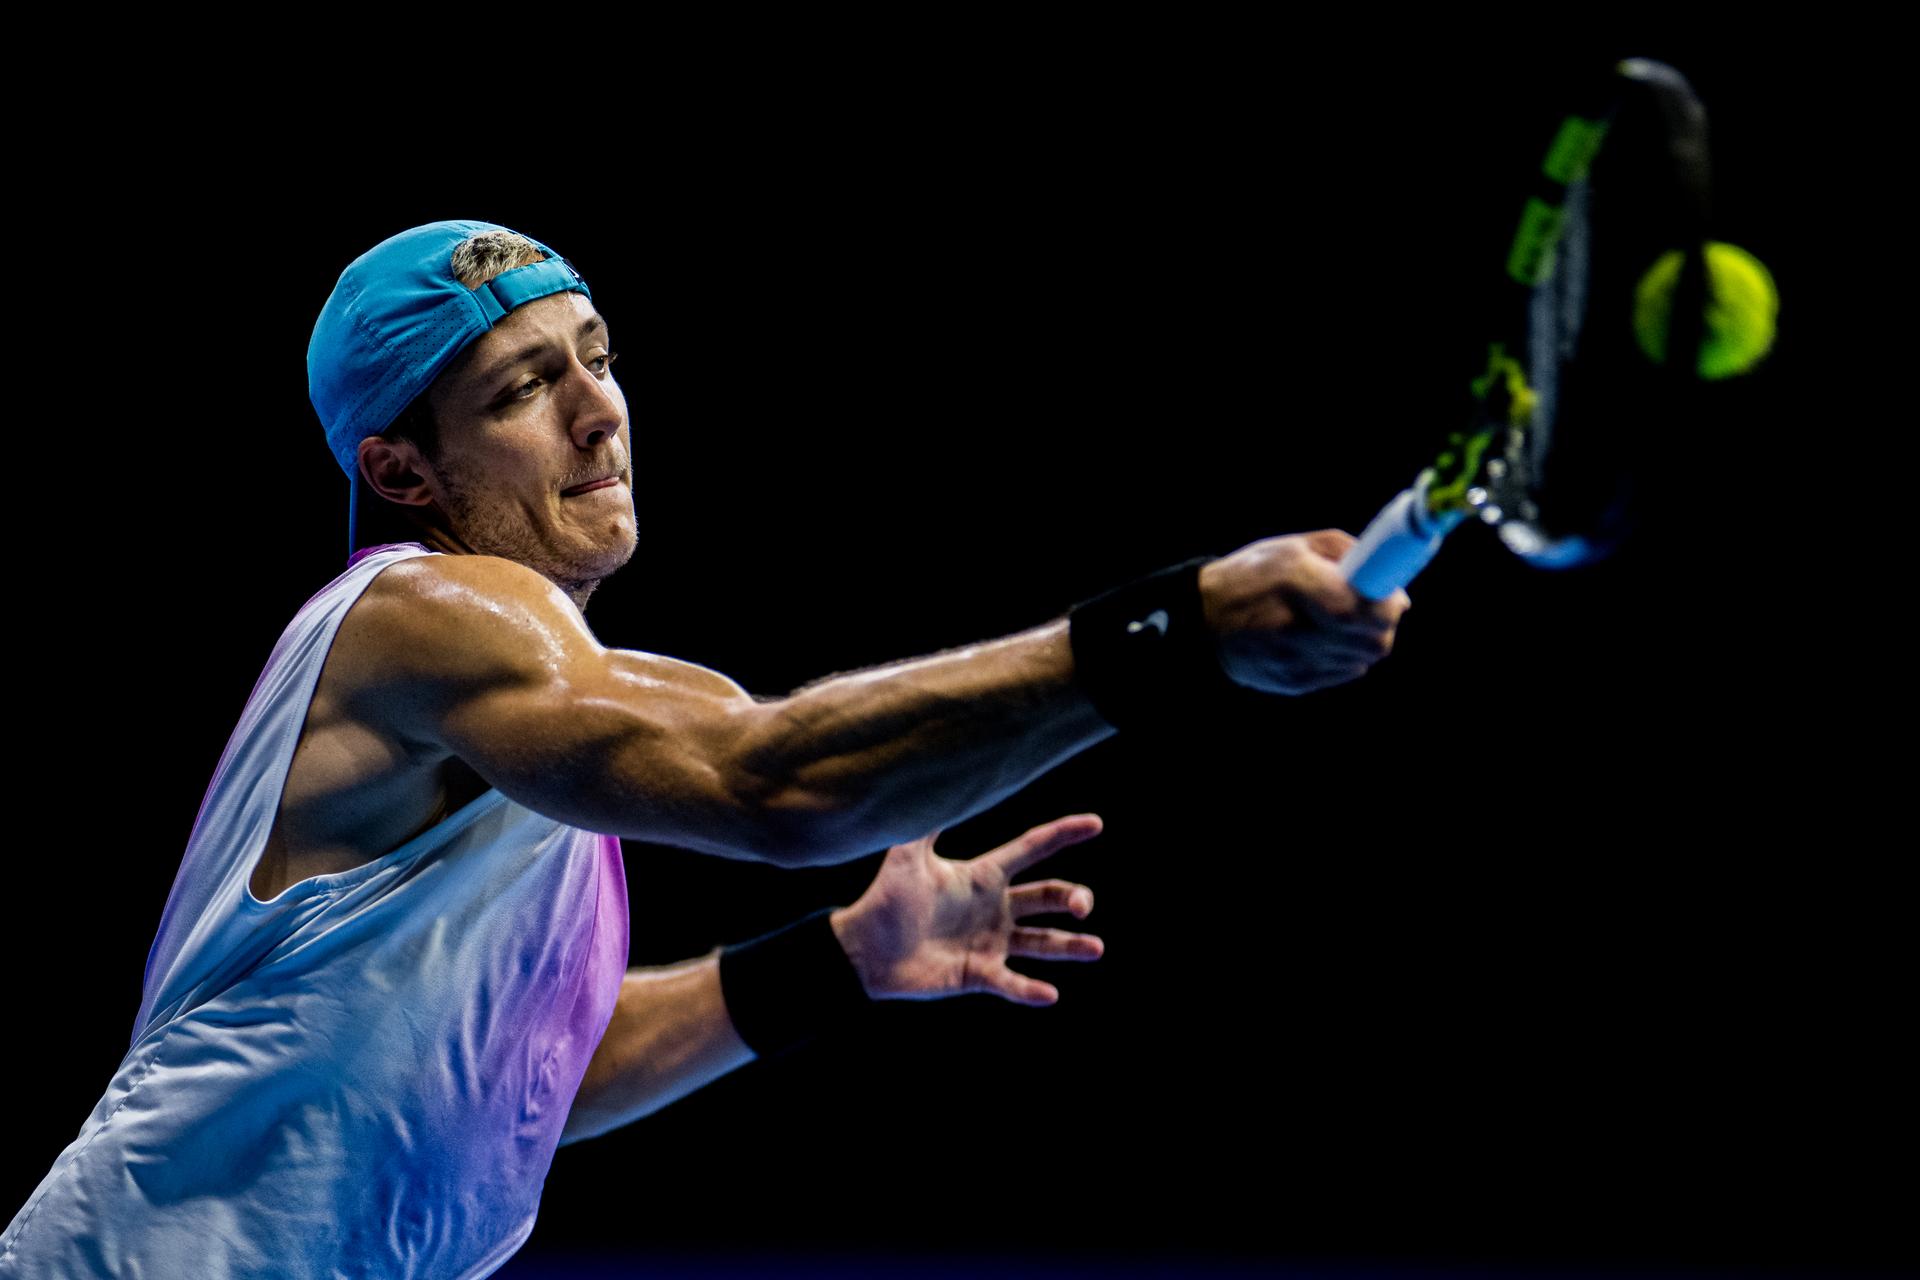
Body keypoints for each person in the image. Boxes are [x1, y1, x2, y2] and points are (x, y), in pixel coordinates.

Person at [0, 220, 1408, 1280]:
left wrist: (837, 960)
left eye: (597, 359)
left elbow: (540, 1071)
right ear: (401, 472)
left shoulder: (541, 712)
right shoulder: (428, 613)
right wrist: (1177, 631)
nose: (598, 408)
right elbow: (770, 782)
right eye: (521, 390)